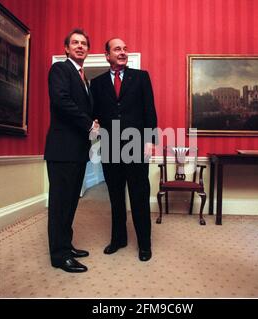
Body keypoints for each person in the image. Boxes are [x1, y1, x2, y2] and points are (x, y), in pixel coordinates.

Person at [90, 38, 158, 262]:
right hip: (110, 146)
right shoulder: (97, 83)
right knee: (116, 196)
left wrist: (150, 140)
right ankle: (118, 239)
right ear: (107, 55)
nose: (122, 52)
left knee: (139, 196)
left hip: (136, 144)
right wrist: (94, 125)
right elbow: (93, 113)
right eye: (117, 49)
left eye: (125, 49)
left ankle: (144, 244)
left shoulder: (141, 77)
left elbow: (150, 110)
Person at [44, 28, 99, 273]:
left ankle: (66, 244)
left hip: (78, 151)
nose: (80, 46)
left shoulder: (83, 78)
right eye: (75, 43)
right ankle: (60, 256)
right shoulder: (59, 70)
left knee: (70, 203)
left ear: (87, 49)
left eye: (84, 43)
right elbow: (61, 101)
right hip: (62, 150)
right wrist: (90, 123)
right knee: (60, 204)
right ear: (66, 48)